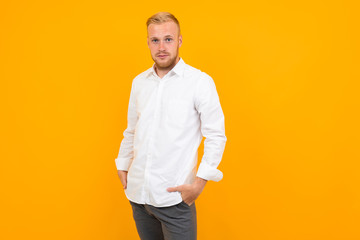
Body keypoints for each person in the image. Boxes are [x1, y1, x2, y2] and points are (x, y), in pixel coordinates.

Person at [115, 11, 227, 240]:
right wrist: (123, 164)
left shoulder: (199, 82)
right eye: (155, 40)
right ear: (148, 43)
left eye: (168, 39)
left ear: (179, 40)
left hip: (174, 199)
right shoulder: (139, 82)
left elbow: (216, 135)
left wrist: (199, 183)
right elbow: (132, 130)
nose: (161, 47)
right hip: (139, 197)